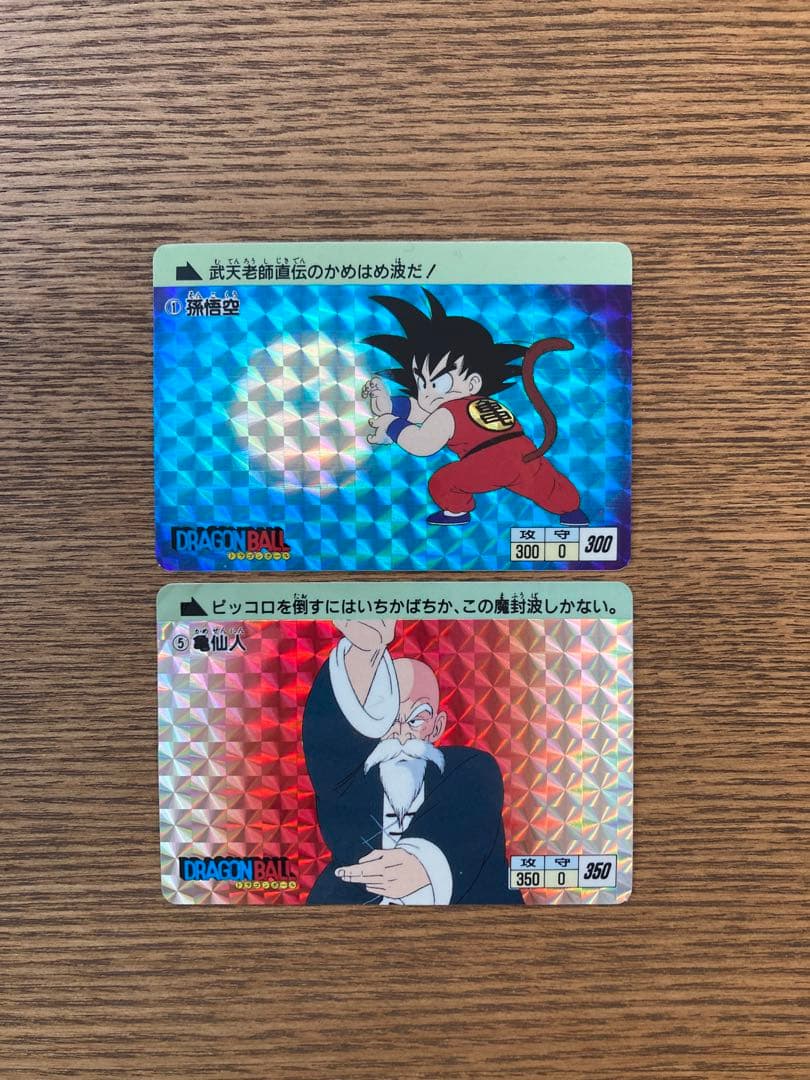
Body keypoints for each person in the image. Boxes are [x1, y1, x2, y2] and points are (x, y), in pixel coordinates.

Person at [302, 619, 522, 905]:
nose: (402, 733)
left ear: (437, 726)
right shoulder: (351, 781)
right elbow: (326, 741)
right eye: (390, 720)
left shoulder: (467, 771)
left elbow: (472, 812)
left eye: (417, 719)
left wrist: (423, 865)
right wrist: (364, 654)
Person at [361, 288, 587, 527]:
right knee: (547, 484)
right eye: (421, 381)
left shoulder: (447, 413)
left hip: (487, 463)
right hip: (524, 453)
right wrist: (387, 404)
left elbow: (422, 444)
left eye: (438, 383)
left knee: (443, 481)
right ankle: (572, 511)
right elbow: (422, 410)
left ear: (472, 383)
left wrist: (392, 424)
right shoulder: (484, 403)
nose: (426, 391)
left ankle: (457, 511)